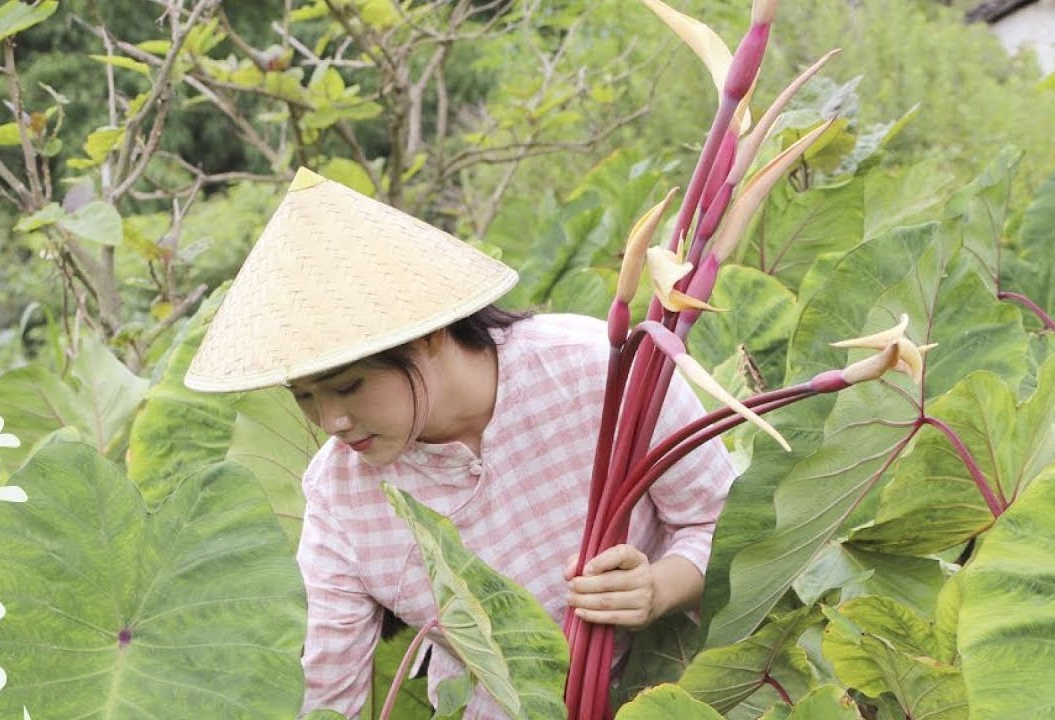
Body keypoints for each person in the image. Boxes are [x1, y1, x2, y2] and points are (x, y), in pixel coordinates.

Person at [185, 168, 736, 718]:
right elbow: (326, 688)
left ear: (426, 333)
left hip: (685, 685)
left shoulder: (598, 371)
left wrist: (659, 588)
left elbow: (723, 524)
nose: (330, 421)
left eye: (348, 387)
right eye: (304, 397)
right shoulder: (340, 495)